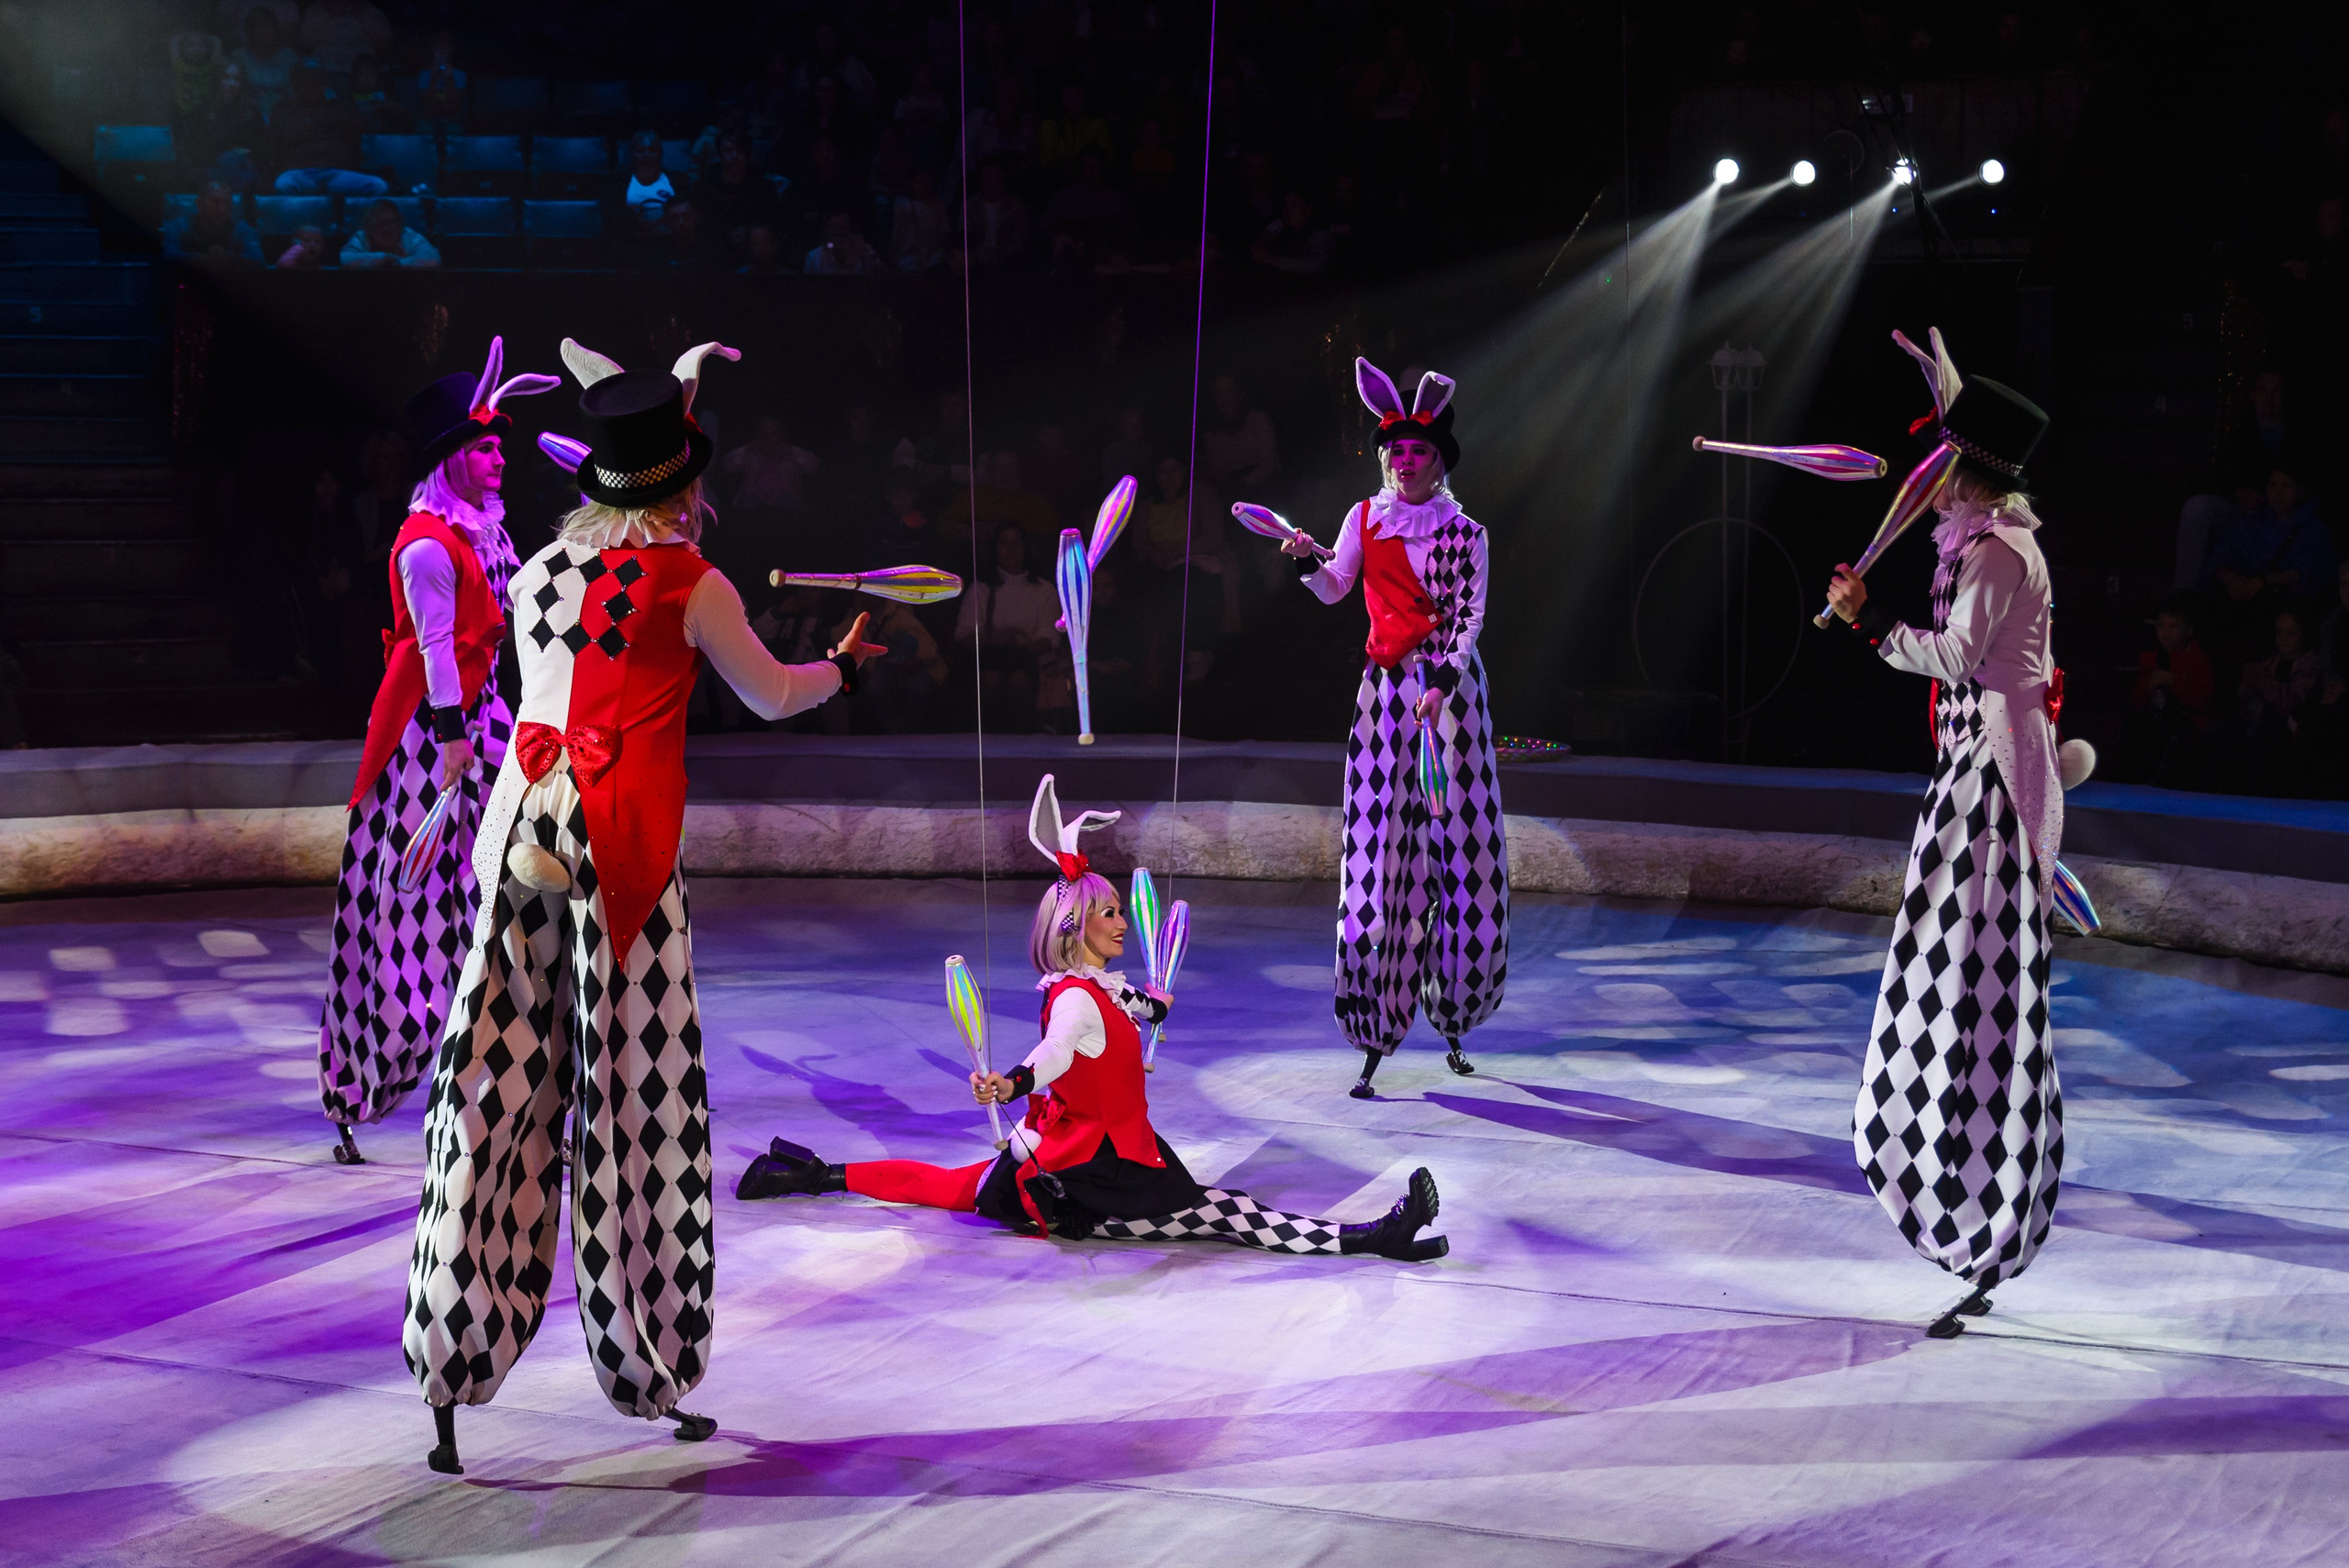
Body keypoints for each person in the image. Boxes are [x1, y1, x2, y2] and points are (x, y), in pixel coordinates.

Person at [402, 339, 887, 1476]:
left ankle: (448, 1370)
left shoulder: (530, 574)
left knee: (491, 1087)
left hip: (519, 831)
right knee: (636, 1112)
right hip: (617, 855)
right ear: (682, 484)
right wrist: (846, 669)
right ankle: (652, 1361)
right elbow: (772, 695)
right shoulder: (691, 582)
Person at [736, 776, 1449, 1262]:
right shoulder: (1076, 999)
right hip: (1089, 1175)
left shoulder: (1094, 987)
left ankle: (812, 1172)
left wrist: (1156, 1003)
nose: (1120, 921)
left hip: (1090, 1154)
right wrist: (1012, 1082)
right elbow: (1052, 1053)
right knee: (1229, 1216)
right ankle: (1372, 1237)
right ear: (1076, 925)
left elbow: (1132, 1005)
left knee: (944, 1184)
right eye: (1109, 911)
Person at [1824, 328, 2085, 1339]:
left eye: (1938, 458)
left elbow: (1962, 655)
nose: (1921, 477)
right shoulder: (1993, 538)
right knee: (1955, 977)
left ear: (1961, 473)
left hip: (1994, 778)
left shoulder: (1992, 550)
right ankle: (1962, 1200)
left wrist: (1863, 620)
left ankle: (1980, 1211)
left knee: (1976, 991)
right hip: (1979, 764)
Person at [317, 339, 560, 1167]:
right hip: (431, 735)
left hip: (481, 720)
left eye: (498, 443)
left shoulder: (485, 527)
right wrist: (458, 744)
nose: (498, 457)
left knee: (501, 892)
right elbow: (432, 653)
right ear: (452, 458)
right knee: (412, 916)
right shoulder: (426, 544)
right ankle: (372, 1081)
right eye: (485, 445)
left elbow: (523, 605)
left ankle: (508, 1064)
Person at [1282, 359, 1508, 1097]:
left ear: (1439, 461)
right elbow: (1335, 587)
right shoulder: (1364, 517)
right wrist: (1306, 562)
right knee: (1378, 848)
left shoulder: (1465, 531)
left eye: (1420, 452)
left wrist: (1444, 681)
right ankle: (1374, 1017)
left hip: (1451, 697)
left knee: (1462, 847)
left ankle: (1460, 1002)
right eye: (1397, 452)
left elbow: (1470, 616)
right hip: (1384, 698)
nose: (1407, 462)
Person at [2122, 599, 2214, 786]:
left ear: (2188, 631)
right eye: (2161, 626)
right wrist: (2149, 685)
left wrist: (2174, 683)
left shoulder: (2198, 660)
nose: (2166, 632)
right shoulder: (2150, 658)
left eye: (2174, 627)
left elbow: (2203, 702)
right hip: (2155, 717)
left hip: (2187, 721)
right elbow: (2136, 701)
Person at [271, 60, 388, 196]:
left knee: (378, 186)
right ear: (295, 83)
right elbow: (290, 133)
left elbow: (366, 129)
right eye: (305, 80)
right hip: (300, 173)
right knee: (283, 185)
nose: (311, 85)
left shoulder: (342, 106)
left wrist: (311, 124)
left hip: (338, 172)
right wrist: (330, 127)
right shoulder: (283, 109)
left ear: (325, 82)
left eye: (317, 79)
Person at [161, 180, 263, 263]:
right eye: (215, 202)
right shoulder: (180, 226)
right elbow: (166, 257)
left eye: (227, 203)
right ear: (199, 204)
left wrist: (227, 258)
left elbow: (259, 260)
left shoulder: (240, 228)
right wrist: (203, 260)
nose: (222, 208)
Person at [340, 199, 439, 268]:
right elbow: (344, 258)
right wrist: (384, 257)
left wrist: (400, 263)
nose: (386, 229)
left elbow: (434, 258)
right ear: (368, 227)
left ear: (400, 223)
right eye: (379, 223)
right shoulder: (361, 237)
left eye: (391, 222)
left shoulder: (408, 236)